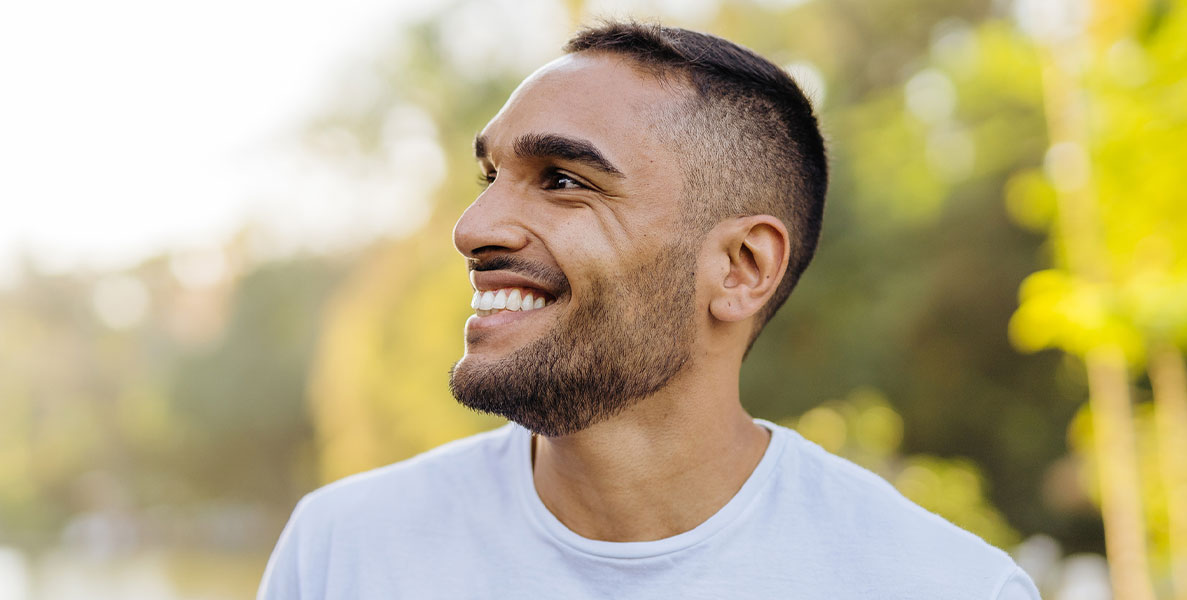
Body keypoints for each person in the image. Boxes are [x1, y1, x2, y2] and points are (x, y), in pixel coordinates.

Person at [258, 20, 1041, 600]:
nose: (473, 229)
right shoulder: (342, 552)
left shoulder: (944, 586)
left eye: (564, 180)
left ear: (741, 268)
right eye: (490, 177)